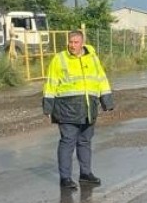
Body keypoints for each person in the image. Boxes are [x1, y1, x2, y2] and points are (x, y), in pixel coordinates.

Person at [43, 30, 114, 190]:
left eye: (75, 42)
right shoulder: (59, 59)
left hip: (89, 107)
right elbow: (51, 83)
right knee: (67, 142)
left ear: (82, 43)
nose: (72, 45)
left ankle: (85, 174)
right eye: (70, 42)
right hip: (66, 108)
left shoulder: (93, 58)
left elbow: (101, 79)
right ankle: (65, 178)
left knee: (85, 141)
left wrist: (107, 101)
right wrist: (48, 106)